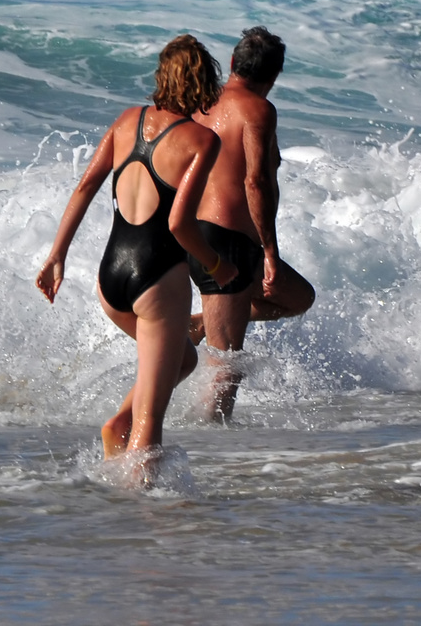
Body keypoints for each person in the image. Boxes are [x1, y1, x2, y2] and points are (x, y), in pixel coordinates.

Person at [35, 36, 237, 466]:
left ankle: (117, 426)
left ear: (162, 77)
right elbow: (179, 225)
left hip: (112, 279)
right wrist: (218, 266)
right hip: (157, 280)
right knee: (150, 431)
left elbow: (85, 186)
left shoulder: (128, 120)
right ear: (205, 82)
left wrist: (57, 256)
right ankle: (145, 519)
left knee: (182, 359)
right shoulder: (201, 141)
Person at [188, 26, 316, 421]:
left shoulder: (199, 105)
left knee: (298, 298)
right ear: (274, 76)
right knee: (226, 370)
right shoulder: (259, 110)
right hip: (227, 244)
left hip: (195, 235)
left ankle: (197, 325)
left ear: (232, 63)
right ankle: (213, 456)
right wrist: (271, 251)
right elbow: (256, 181)